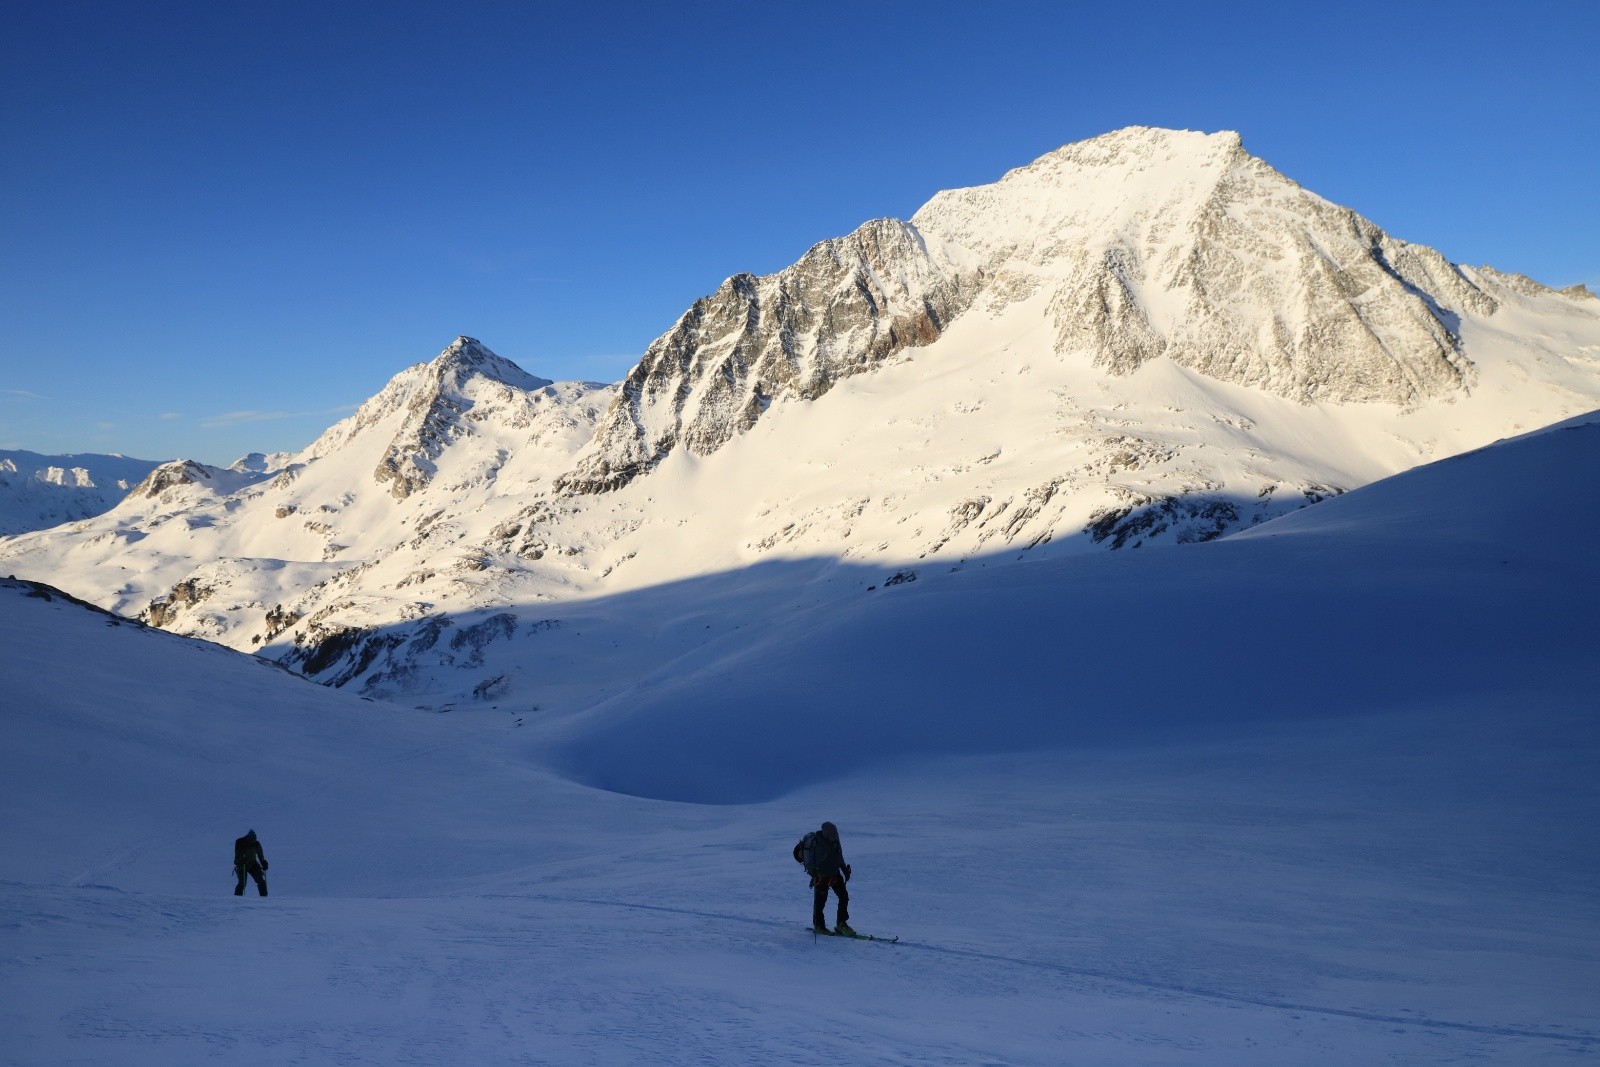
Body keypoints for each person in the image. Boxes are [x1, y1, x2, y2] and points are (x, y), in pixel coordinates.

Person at [806, 821, 852, 935]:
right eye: (833, 834)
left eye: (835, 833)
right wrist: (814, 872)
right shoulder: (817, 843)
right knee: (820, 902)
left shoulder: (835, 839)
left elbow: (838, 855)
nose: (835, 836)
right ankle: (819, 926)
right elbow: (811, 861)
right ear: (826, 834)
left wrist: (844, 868)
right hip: (821, 876)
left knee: (844, 897)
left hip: (834, 873)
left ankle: (841, 924)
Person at [234, 829, 268, 896]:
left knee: (261, 881)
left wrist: (263, 862)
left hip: (253, 864)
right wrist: (239, 861)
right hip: (242, 865)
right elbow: (237, 855)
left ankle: (264, 898)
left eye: (254, 838)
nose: (253, 840)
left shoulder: (256, 844)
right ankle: (237, 899)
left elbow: (260, 854)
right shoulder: (241, 843)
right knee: (242, 883)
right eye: (252, 838)